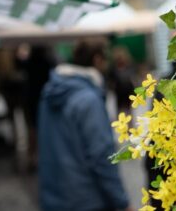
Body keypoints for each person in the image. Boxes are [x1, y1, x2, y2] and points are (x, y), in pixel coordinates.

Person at [38, 38, 131, 211]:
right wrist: (122, 201)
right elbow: (101, 155)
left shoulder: (48, 93)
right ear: (97, 60)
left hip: (54, 198)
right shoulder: (89, 99)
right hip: (88, 200)